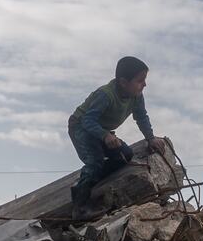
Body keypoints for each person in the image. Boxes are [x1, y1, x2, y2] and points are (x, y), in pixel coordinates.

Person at [68, 56, 165, 219]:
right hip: (80, 127)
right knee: (95, 161)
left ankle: (89, 180)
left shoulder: (137, 96)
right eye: (140, 80)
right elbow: (87, 120)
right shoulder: (105, 95)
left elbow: (141, 116)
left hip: (101, 129)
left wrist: (151, 138)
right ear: (123, 82)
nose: (144, 84)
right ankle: (80, 207)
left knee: (125, 155)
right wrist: (105, 135)